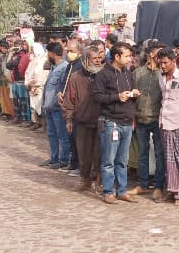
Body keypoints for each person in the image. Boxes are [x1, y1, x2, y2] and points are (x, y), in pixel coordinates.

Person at [93, 42, 140, 204]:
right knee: (109, 160)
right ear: (117, 56)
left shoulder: (128, 73)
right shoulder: (102, 75)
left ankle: (121, 190)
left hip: (127, 122)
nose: (129, 59)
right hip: (110, 122)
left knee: (122, 160)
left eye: (130, 56)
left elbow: (132, 89)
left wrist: (134, 93)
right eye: (126, 56)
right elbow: (97, 97)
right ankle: (107, 191)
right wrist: (116, 97)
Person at [63, 43, 104, 195]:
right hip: (82, 121)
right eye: (94, 58)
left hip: (102, 121)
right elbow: (69, 99)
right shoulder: (76, 77)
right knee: (84, 154)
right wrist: (68, 118)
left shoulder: (104, 74)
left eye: (100, 57)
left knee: (100, 154)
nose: (98, 61)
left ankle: (99, 181)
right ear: (86, 59)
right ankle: (85, 180)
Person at [157, 48, 179, 206]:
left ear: (173, 61)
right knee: (168, 157)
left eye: (165, 63)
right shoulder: (161, 77)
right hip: (164, 121)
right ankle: (171, 189)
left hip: (178, 122)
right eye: (161, 63)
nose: (162, 66)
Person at [132, 44, 166, 200]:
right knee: (142, 154)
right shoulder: (138, 73)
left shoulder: (163, 74)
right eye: (158, 53)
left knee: (159, 154)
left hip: (158, 119)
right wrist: (132, 117)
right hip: (140, 118)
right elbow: (132, 97)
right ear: (151, 55)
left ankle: (158, 186)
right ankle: (143, 184)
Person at [42, 42, 71, 169]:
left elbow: (62, 89)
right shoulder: (54, 67)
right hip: (49, 107)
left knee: (62, 135)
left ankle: (63, 159)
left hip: (58, 108)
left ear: (52, 54)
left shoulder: (64, 68)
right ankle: (54, 158)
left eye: (48, 53)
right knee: (51, 134)